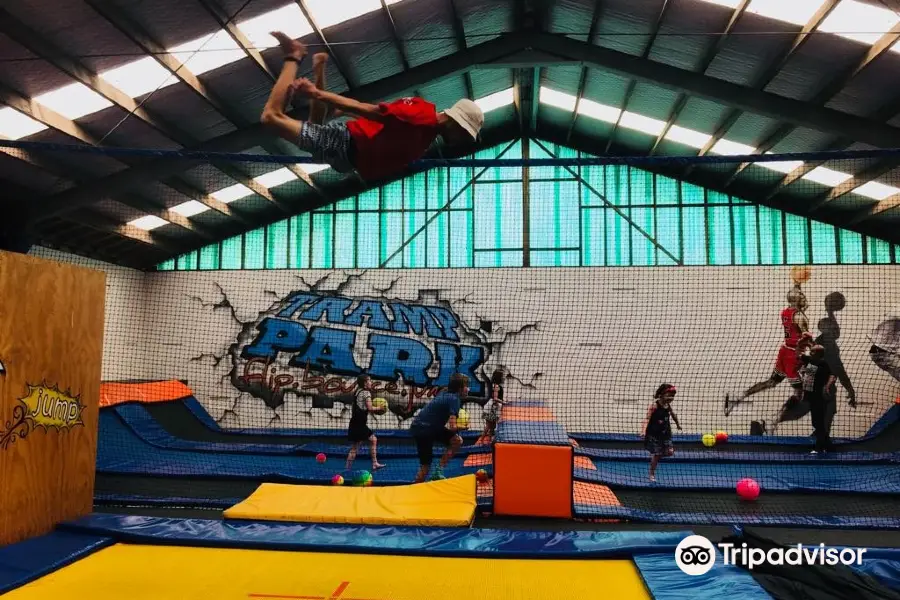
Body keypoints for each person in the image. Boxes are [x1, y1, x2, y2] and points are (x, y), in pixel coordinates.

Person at [261, 32, 484, 182]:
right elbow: (370, 111)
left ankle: (319, 68)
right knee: (271, 117)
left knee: (316, 123)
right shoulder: (422, 117)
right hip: (342, 145)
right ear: (456, 123)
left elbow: (387, 129)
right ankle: (294, 55)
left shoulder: (426, 132)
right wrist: (316, 94)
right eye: (465, 134)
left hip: (344, 154)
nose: (462, 140)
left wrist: (341, 109)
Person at [725, 285, 813, 426]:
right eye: (801, 296)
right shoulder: (800, 317)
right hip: (794, 354)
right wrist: (815, 348)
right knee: (799, 391)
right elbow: (806, 336)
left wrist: (797, 286)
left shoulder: (786, 312)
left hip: (784, 350)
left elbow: (797, 314)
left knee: (772, 382)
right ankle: (774, 420)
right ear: (796, 300)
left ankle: (738, 397)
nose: (804, 297)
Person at [410, 373, 470, 483]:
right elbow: (452, 427)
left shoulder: (445, 391)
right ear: (460, 388)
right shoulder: (454, 399)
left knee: (456, 441)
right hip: (423, 429)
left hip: (431, 426)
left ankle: (438, 471)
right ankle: (414, 489)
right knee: (426, 466)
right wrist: (464, 427)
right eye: (467, 386)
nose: (468, 389)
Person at [798, 345, 836, 455]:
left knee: (818, 423)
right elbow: (799, 355)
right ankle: (828, 446)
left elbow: (832, 375)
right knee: (817, 423)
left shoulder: (821, 364)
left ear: (819, 354)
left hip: (819, 398)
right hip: (811, 397)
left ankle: (821, 447)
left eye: (813, 352)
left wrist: (827, 386)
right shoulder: (812, 362)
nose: (810, 353)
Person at [345, 375, 386, 471]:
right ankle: (373, 463)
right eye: (369, 381)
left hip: (355, 422)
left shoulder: (357, 391)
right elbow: (370, 408)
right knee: (369, 442)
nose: (371, 383)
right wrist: (380, 408)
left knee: (364, 443)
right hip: (360, 424)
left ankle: (348, 468)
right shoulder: (366, 393)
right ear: (365, 383)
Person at [644, 384, 682, 482]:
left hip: (666, 434)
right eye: (669, 395)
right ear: (661, 394)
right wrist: (643, 430)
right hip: (655, 434)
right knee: (656, 455)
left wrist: (678, 424)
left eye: (673, 396)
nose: (671, 398)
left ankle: (657, 454)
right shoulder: (654, 406)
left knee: (670, 452)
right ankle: (651, 473)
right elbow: (647, 419)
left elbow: (673, 415)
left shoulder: (667, 406)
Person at [477, 369, 505, 444]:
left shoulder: (496, 385)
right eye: (502, 376)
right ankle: (482, 440)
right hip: (491, 408)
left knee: (492, 426)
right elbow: (495, 398)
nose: (504, 377)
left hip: (493, 407)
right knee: (489, 426)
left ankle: (489, 440)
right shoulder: (496, 386)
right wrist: (504, 402)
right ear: (499, 377)